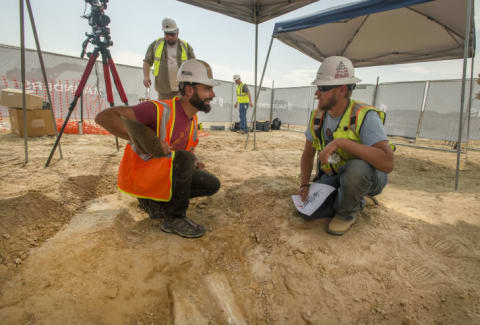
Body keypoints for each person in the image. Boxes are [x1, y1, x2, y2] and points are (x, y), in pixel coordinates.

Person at [96, 59, 220, 239]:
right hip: (142, 178)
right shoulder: (159, 109)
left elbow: (183, 153)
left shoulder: (192, 120)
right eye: (207, 89)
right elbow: (104, 117)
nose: (212, 94)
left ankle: (157, 205)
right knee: (184, 158)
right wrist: (148, 141)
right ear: (189, 90)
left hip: (161, 176)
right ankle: (173, 218)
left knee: (211, 183)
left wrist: (194, 161)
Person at [298, 56, 394, 236]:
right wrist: (304, 185)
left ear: (342, 90)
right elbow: (308, 154)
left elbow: (388, 162)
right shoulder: (318, 117)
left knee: (357, 169)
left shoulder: (364, 116)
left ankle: (347, 214)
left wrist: (341, 142)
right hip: (335, 174)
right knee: (309, 212)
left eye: (322, 88)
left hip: (367, 175)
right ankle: (351, 199)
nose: (316, 93)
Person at [143, 17, 196, 100]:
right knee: (165, 112)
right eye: (167, 34)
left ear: (177, 32)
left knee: (180, 112)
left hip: (182, 89)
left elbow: (194, 65)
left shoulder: (186, 46)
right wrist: (146, 76)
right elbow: (147, 61)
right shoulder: (156, 44)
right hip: (163, 89)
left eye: (172, 34)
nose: (170, 37)